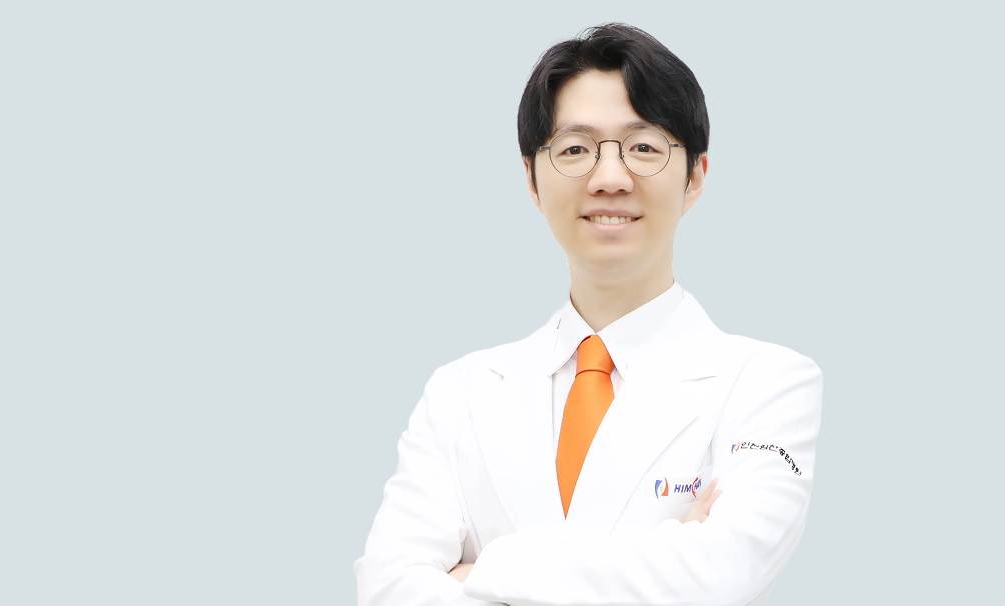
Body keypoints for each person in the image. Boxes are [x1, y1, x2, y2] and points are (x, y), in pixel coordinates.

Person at [352, 23, 823, 606]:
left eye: (644, 147)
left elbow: (723, 573)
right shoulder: (459, 393)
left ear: (696, 176)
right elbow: (387, 588)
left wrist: (478, 573)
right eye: (575, 149)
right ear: (532, 179)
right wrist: (662, 559)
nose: (609, 178)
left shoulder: (768, 383)